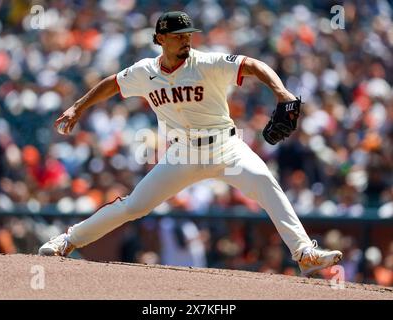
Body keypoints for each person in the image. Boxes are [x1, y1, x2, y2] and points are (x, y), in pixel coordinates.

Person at [39, 11, 342, 277]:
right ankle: (68, 240)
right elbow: (112, 84)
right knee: (134, 205)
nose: (186, 40)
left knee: (266, 183)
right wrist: (78, 107)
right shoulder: (146, 72)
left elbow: (252, 65)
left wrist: (283, 93)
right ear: (160, 38)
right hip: (182, 154)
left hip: (226, 148)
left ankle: (304, 254)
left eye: (188, 35)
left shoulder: (207, 62)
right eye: (178, 36)